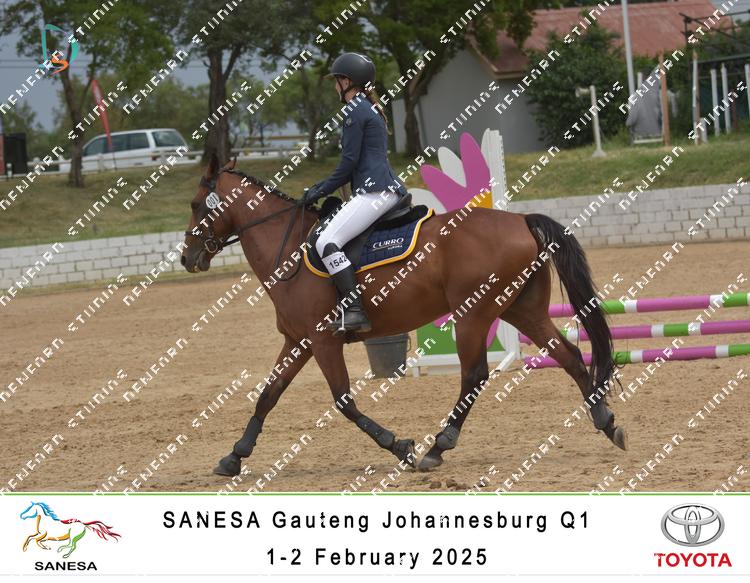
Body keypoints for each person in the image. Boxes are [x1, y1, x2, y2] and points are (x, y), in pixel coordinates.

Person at [303, 52, 409, 334]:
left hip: (374, 192)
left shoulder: (354, 111)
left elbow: (348, 163)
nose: (334, 86)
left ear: (347, 81)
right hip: (382, 188)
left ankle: (354, 310)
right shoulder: (367, 108)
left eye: (336, 80)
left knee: (326, 242)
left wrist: (318, 191)